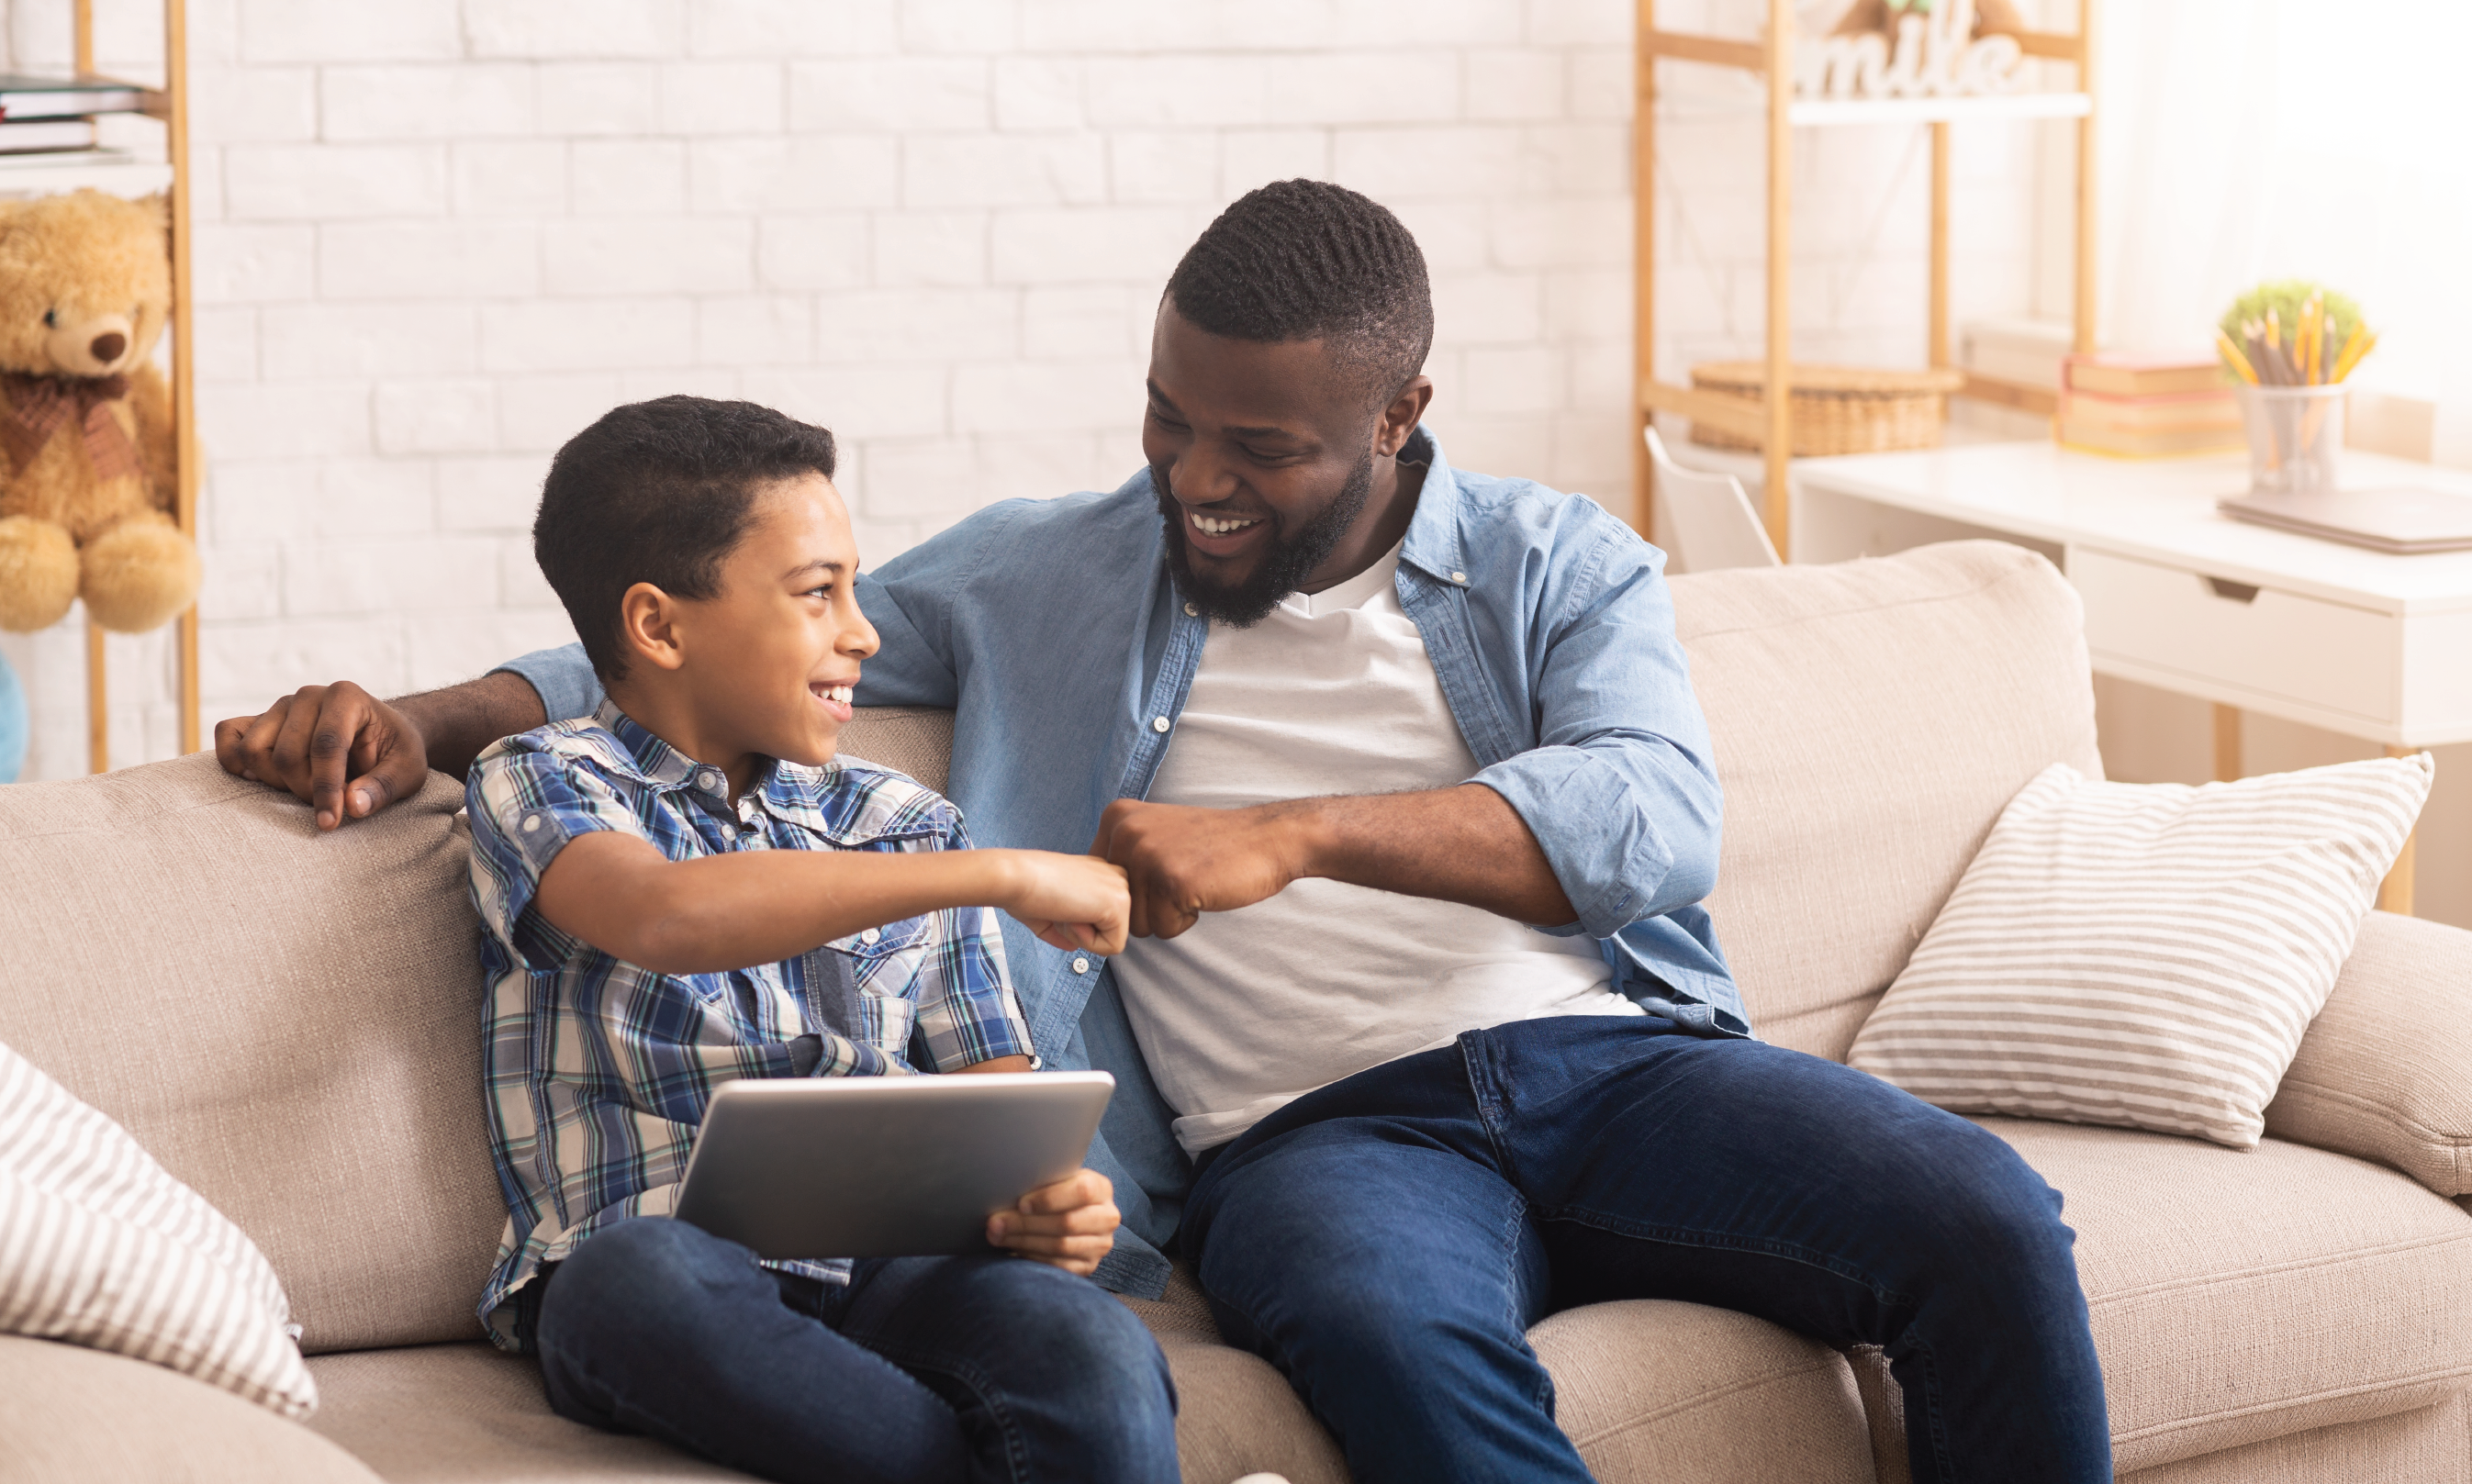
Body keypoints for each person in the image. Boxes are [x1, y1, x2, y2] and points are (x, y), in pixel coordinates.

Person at [220, 181, 2109, 1483]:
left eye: (1261, 449)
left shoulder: (1552, 565)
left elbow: (1648, 824)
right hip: (1314, 1140)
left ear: (1398, 417)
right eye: (1167, 419)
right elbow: (687, 632)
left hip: (1609, 1066)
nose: (1198, 479)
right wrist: (443, 714)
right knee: (1386, 1340)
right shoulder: (1055, 566)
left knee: (1981, 1217)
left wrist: (1290, 836)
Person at [453, 395, 1177, 1484]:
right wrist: (1005, 871)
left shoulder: (904, 822)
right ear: (658, 626)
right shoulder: (541, 778)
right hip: (664, 1263)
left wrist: (1051, 1207)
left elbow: (1008, 1111)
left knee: (1093, 1348)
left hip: (902, 1267)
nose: (864, 631)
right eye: (816, 593)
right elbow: (666, 916)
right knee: (633, 1283)